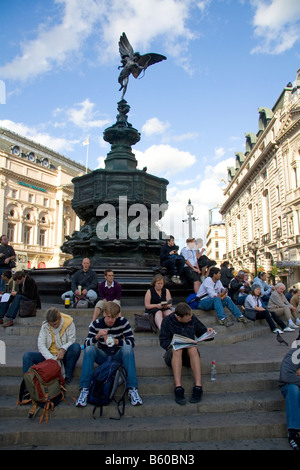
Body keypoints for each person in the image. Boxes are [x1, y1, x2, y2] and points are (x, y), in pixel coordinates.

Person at [76, 302, 142, 407]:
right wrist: (97, 337)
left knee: (127, 348)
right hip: (103, 356)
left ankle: (132, 389)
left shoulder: (123, 322)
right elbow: (86, 344)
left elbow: (132, 342)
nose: (110, 320)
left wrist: (117, 342)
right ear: (104, 314)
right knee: (89, 350)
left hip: (117, 355)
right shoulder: (97, 324)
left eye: (113, 318)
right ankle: (85, 389)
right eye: (108, 317)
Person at [159, 302, 214, 405]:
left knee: (192, 347)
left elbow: (202, 331)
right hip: (173, 353)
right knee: (177, 350)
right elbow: (163, 341)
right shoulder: (167, 321)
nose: (190, 319)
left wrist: (208, 332)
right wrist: (174, 344)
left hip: (189, 353)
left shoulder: (192, 318)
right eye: (187, 318)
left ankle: (198, 386)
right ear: (179, 317)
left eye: (190, 316)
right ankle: (178, 388)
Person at [22, 307, 81, 383]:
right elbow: (41, 345)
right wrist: (52, 359)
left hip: (64, 355)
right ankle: (28, 386)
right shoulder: (45, 326)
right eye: (51, 325)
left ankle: (67, 375)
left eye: (55, 324)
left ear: (59, 318)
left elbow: (72, 340)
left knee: (76, 347)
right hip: (50, 357)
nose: (54, 326)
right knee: (27, 356)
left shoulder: (69, 322)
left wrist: (63, 349)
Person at [279, 341, 300, 450]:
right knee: (293, 389)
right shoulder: (295, 353)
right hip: (289, 386)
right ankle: (293, 432)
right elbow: (286, 376)